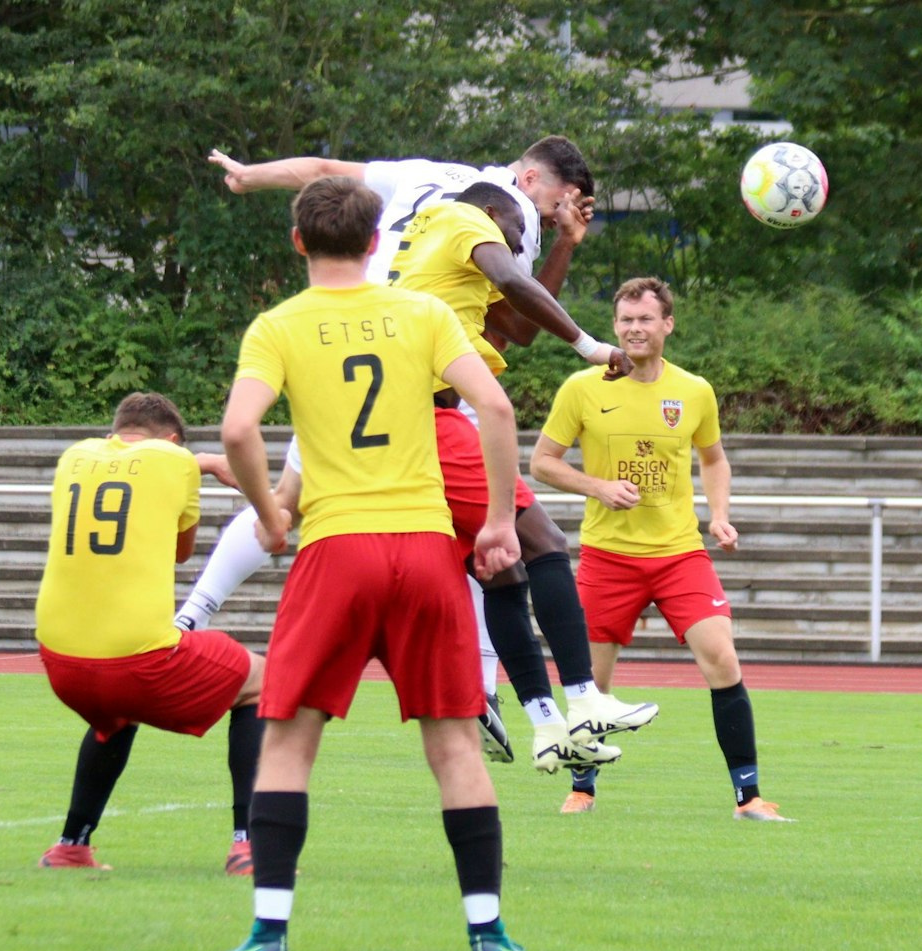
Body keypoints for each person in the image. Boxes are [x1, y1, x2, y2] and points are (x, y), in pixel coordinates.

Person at [186, 138, 620, 762]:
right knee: (511, 541)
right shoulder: (508, 216)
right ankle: (515, 694)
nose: (555, 216)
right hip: (425, 382)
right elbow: (516, 332)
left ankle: (193, 615)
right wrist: (587, 336)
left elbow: (323, 170)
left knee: (291, 505)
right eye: (559, 203)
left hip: (343, 355)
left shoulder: (424, 177)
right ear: (529, 180)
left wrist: (249, 176)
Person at [210, 176, 529, 951]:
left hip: (337, 549)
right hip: (423, 548)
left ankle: (269, 934)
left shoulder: (279, 325)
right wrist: (497, 521)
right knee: (454, 745)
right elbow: (496, 408)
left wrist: (270, 514)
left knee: (289, 744)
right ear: (376, 241)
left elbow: (239, 429)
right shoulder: (423, 313)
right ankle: (487, 931)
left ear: (297, 241)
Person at [388, 180, 656, 772]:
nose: (512, 250)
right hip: (427, 419)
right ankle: (586, 700)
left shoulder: (432, 249)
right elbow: (512, 280)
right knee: (544, 543)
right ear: (491, 213)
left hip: (406, 426)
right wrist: (589, 346)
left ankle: (546, 725)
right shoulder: (462, 218)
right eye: (512, 236)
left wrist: (564, 244)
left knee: (501, 570)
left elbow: (522, 322)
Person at [531, 277, 791, 822]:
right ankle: (582, 789)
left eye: (645, 319)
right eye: (626, 320)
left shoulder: (694, 391)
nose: (634, 329)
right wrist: (598, 487)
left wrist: (720, 515)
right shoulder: (582, 388)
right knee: (592, 682)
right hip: (608, 556)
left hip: (678, 554)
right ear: (614, 326)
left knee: (722, 658)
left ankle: (748, 798)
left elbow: (714, 458)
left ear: (667, 324)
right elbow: (542, 463)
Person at [32, 392, 265, 875]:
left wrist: (195, 463)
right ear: (174, 440)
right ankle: (249, 846)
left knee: (116, 716)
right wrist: (205, 463)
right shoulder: (174, 461)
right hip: (135, 662)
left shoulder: (74, 458)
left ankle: (71, 844)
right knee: (263, 682)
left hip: (59, 662)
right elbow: (181, 551)